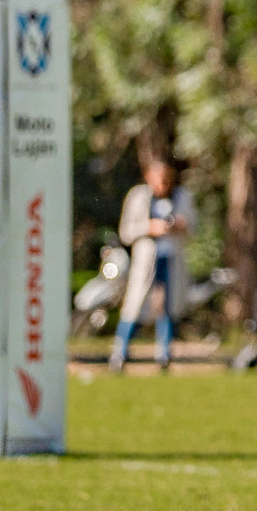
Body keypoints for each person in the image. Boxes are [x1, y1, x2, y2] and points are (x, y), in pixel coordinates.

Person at [111, 157, 194, 372]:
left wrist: (180, 226)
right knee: (135, 304)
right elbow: (126, 232)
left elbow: (193, 227)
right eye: (159, 178)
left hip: (171, 258)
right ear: (148, 177)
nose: (163, 183)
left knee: (168, 306)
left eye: (167, 179)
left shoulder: (181, 197)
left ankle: (164, 354)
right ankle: (120, 352)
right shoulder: (139, 196)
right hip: (146, 259)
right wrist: (149, 227)